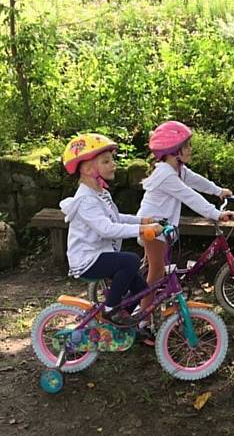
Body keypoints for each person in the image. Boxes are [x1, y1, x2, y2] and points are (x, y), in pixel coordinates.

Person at [136, 121, 234, 325]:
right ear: (174, 151)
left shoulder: (177, 168)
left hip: (163, 227)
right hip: (153, 228)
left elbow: (196, 181)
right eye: (187, 146)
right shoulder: (165, 174)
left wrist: (218, 191)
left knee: (152, 269)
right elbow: (190, 197)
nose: (190, 149)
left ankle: (140, 302)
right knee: (156, 272)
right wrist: (216, 214)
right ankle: (142, 319)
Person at [59, 133, 162, 329]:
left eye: (111, 160)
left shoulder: (100, 193)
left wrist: (143, 220)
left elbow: (116, 217)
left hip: (102, 254)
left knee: (142, 289)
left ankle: (127, 325)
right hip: (87, 259)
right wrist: (142, 229)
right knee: (131, 260)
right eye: (106, 161)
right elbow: (106, 229)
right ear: (89, 169)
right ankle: (110, 310)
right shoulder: (85, 201)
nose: (113, 164)